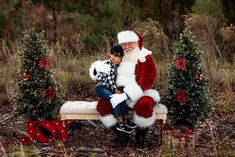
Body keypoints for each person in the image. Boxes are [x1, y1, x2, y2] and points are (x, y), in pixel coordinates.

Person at [89, 30, 160, 149]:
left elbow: (146, 81)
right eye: (124, 44)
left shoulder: (145, 57)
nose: (127, 47)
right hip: (117, 92)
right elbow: (99, 73)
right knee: (102, 105)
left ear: (137, 43)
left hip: (140, 93)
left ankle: (140, 135)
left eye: (130, 43)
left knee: (145, 105)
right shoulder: (119, 58)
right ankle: (122, 134)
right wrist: (97, 68)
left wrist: (126, 95)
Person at [92, 44, 135, 134]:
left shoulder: (117, 65)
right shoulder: (108, 65)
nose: (116, 59)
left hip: (108, 88)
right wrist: (115, 89)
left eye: (119, 57)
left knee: (120, 98)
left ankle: (126, 121)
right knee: (115, 98)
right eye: (115, 55)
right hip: (101, 88)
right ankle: (120, 124)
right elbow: (110, 80)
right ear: (110, 55)